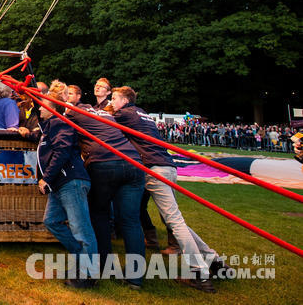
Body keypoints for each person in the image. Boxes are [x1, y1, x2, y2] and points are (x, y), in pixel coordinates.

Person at [111, 87, 223, 292]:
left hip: (154, 168)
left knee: (174, 221)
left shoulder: (124, 113)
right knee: (175, 219)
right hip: (168, 166)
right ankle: (212, 259)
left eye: (114, 98)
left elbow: (104, 123)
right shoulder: (142, 113)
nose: (112, 102)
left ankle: (199, 272)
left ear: (125, 100)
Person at [65, 81, 145, 289]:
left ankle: (102, 266)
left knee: (99, 215)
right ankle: (135, 278)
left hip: (104, 162)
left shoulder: (75, 113)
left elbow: (59, 129)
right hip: (133, 163)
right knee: (131, 221)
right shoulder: (106, 115)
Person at [36, 86, 98, 288]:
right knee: (51, 221)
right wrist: (25, 132)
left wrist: (46, 177)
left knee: (81, 228)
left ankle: (88, 275)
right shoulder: (50, 126)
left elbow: (62, 150)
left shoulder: (60, 122)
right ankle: (81, 258)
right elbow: (46, 143)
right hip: (60, 184)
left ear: (53, 107)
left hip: (70, 181)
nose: (40, 108)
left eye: (43, 105)